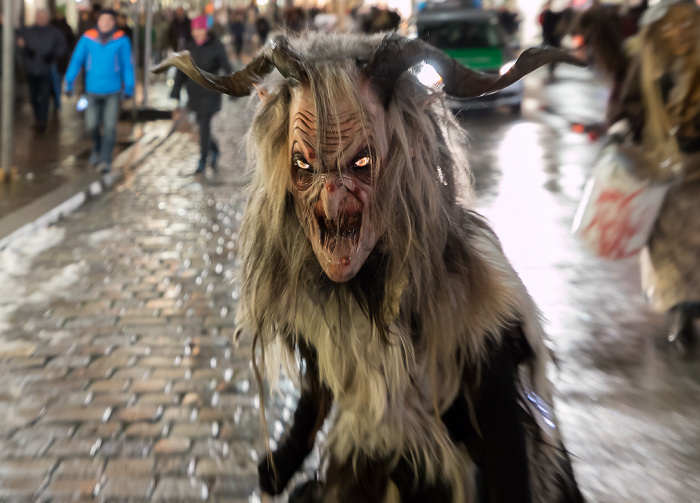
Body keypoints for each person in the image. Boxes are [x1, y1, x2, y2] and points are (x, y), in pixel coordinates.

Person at [154, 33, 584, 502]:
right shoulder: (303, 278)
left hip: (459, 474)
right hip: (371, 461)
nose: (333, 197)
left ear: (401, 157)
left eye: (360, 163)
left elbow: (504, 427)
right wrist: (294, 447)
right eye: (306, 165)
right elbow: (326, 368)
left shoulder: (467, 285)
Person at [608, 0, 700, 345]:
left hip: (697, 170)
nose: (681, 32)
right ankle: (680, 308)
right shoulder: (645, 64)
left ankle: (688, 304)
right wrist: (619, 129)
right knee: (667, 245)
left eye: (688, 24)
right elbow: (627, 105)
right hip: (660, 169)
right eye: (672, 25)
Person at [64, 9, 134, 174]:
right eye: (103, 20)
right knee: (91, 125)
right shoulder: (87, 38)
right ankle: (97, 148)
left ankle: (105, 159)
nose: (106, 23)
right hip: (92, 91)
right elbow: (76, 60)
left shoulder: (121, 40)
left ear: (114, 22)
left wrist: (129, 86)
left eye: (109, 20)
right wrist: (69, 81)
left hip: (113, 91)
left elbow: (127, 64)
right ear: (98, 21)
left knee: (110, 127)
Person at [170, 15, 232, 175]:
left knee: (204, 126)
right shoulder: (189, 48)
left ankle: (202, 161)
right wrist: (176, 89)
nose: (196, 32)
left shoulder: (216, 45)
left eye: (199, 29)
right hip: (194, 94)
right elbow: (182, 70)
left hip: (211, 92)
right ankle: (214, 148)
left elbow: (227, 67)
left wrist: (233, 87)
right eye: (194, 30)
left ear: (206, 29)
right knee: (201, 127)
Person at [17, 9, 67, 131]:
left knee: (44, 95)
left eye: (44, 17)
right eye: (39, 17)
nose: (41, 19)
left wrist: (53, 55)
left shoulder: (54, 33)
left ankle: (42, 120)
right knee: (34, 96)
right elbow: (18, 43)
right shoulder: (27, 31)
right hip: (31, 69)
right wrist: (24, 50)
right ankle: (37, 118)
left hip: (46, 69)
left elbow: (63, 47)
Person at [50, 10, 75, 113]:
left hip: (61, 60)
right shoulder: (51, 27)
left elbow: (71, 42)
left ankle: (57, 103)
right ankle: (55, 102)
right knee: (52, 83)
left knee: (57, 82)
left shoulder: (66, 28)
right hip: (51, 59)